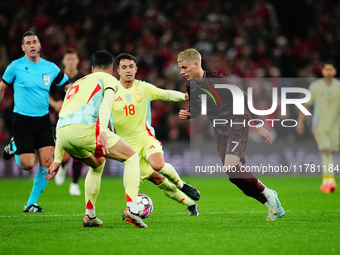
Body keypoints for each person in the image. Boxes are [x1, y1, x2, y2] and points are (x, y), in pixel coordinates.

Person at [177, 48, 285, 221]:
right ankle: (272, 206)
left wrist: (258, 125)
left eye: (184, 68)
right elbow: (197, 109)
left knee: (231, 167)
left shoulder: (216, 80)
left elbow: (243, 98)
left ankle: (269, 193)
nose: (181, 72)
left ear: (196, 64)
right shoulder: (191, 85)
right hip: (220, 129)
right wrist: (189, 113)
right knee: (234, 177)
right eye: (180, 68)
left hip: (236, 122)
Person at [43, 50, 148, 228]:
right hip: (86, 130)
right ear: (111, 69)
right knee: (131, 157)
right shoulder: (109, 79)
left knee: (97, 163)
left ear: (92, 69)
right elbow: (106, 105)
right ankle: (131, 208)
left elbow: (63, 116)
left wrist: (58, 159)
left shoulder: (77, 83)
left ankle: (90, 216)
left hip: (62, 134)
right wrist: (103, 133)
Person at [113, 53, 200, 216]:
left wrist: (184, 96)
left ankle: (182, 184)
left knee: (158, 164)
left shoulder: (143, 88)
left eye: (131, 66)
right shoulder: (111, 91)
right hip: (127, 149)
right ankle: (191, 205)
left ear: (136, 69)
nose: (128, 70)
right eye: (124, 67)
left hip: (145, 138)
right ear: (118, 70)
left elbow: (165, 94)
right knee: (159, 180)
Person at [0, 31, 70, 213]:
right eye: (28, 43)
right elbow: (2, 87)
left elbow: (68, 85)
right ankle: (14, 146)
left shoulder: (51, 68)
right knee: (28, 164)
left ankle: (31, 203)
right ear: (23, 47)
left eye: (34, 42)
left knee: (48, 162)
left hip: (43, 121)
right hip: (23, 120)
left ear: (39, 46)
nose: (32, 45)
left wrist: (71, 100)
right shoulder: (15, 67)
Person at [297, 60, 340, 193]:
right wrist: (300, 121)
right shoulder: (315, 86)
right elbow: (307, 104)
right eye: (326, 69)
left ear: (334, 71)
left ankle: (327, 181)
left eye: (330, 69)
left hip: (335, 124)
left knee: (330, 152)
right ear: (322, 71)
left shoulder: (338, 86)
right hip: (319, 124)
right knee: (326, 150)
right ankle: (329, 181)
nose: (328, 72)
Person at [53, 49, 85, 196]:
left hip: (79, 118)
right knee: (64, 152)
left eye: (73, 59)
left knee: (78, 150)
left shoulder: (83, 78)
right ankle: (63, 165)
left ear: (77, 61)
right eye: (68, 59)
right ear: (64, 62)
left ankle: (74, 184)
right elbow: (45, 93)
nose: (71, 61)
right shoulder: (57, 77)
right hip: (61, 118)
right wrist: (54, 104)